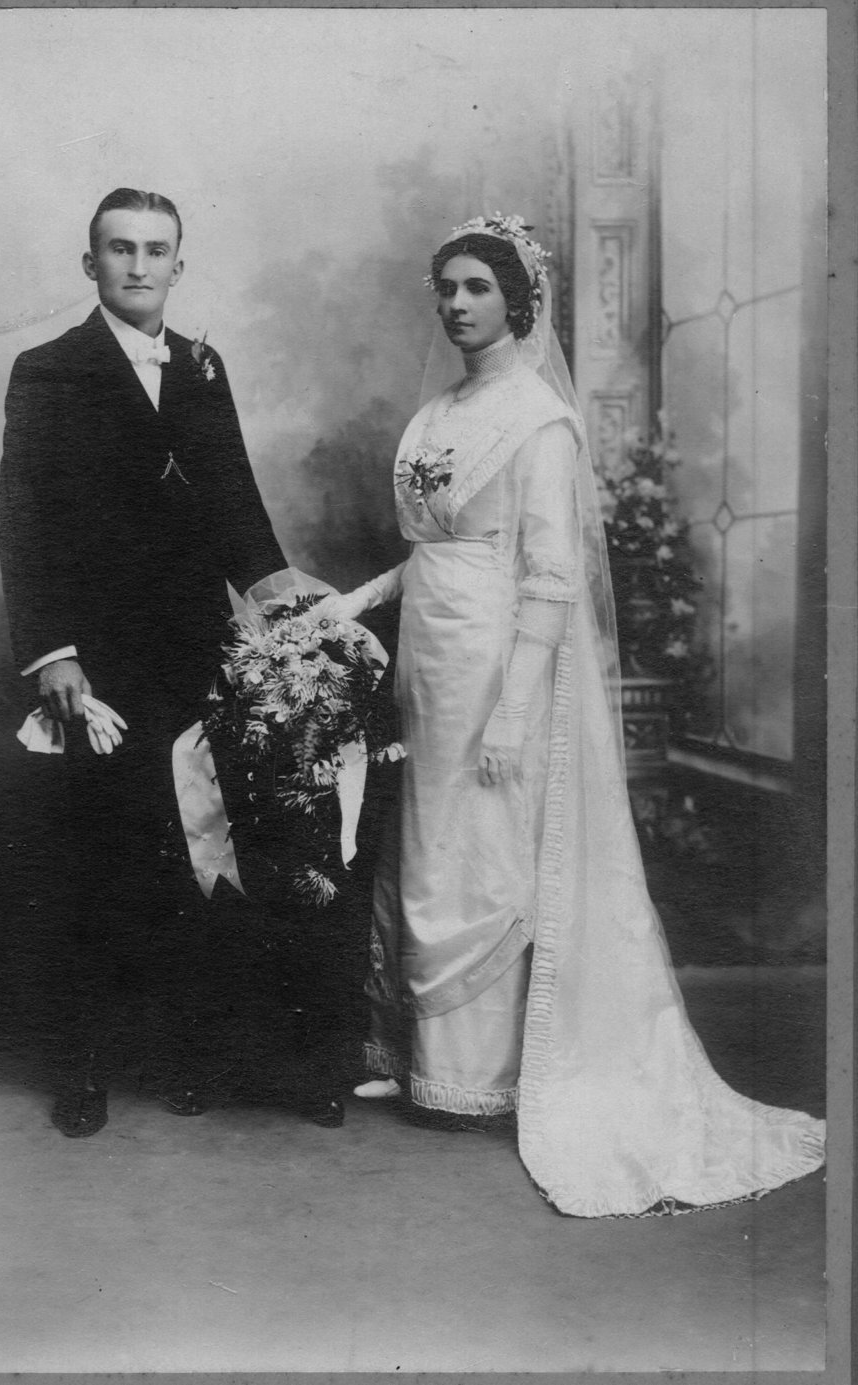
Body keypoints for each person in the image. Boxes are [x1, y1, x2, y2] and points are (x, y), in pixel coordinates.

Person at [317, 214, 825, 1216]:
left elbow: (549, 577)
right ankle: (425, 1058)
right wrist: (357, 601)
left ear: (517, 299)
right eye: (447, 288)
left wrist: (513, 712)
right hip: (427, 655)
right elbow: (431, 553)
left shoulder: (540, 421)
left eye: (475, 287)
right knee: (425, 850)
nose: (456, 304)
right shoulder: (437, 415)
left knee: (489, 853)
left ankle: (489, 1075)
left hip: (501, 662)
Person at [0, 188, 287, 1137]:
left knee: (190, 847)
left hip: (192, 650)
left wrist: (280, 592)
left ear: (177, 264)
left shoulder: (202, 366)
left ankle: (182, 1052)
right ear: (91, 264)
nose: (136, 265)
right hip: (96, 662)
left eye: (155, 250)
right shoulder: (48, 371)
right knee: (93, 860)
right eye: (118, 249)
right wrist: (54, 655)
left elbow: (233, 496)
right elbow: (23, 518)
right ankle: (81, 1067)